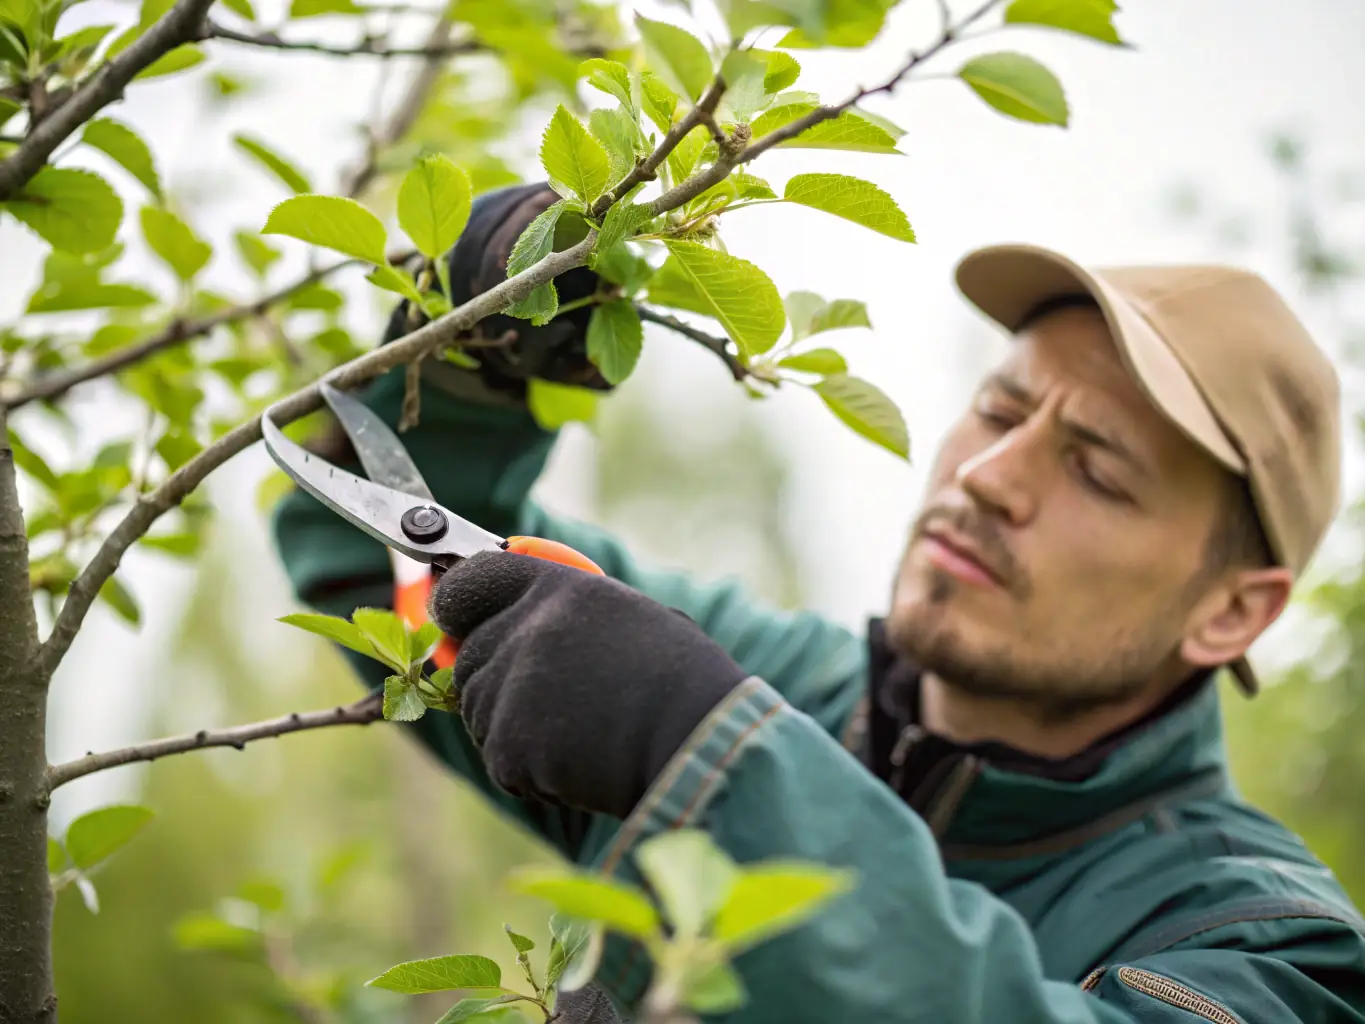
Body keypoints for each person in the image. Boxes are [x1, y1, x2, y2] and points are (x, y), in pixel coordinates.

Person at [271, 181, 1365, 1022]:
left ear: (1231, 613)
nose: (989, 476)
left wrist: (699, 758)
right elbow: (382, 559)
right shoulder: (779, 692)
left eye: (1098, 470)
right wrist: (478, 368)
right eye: (999, 408)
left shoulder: (1275, 947)